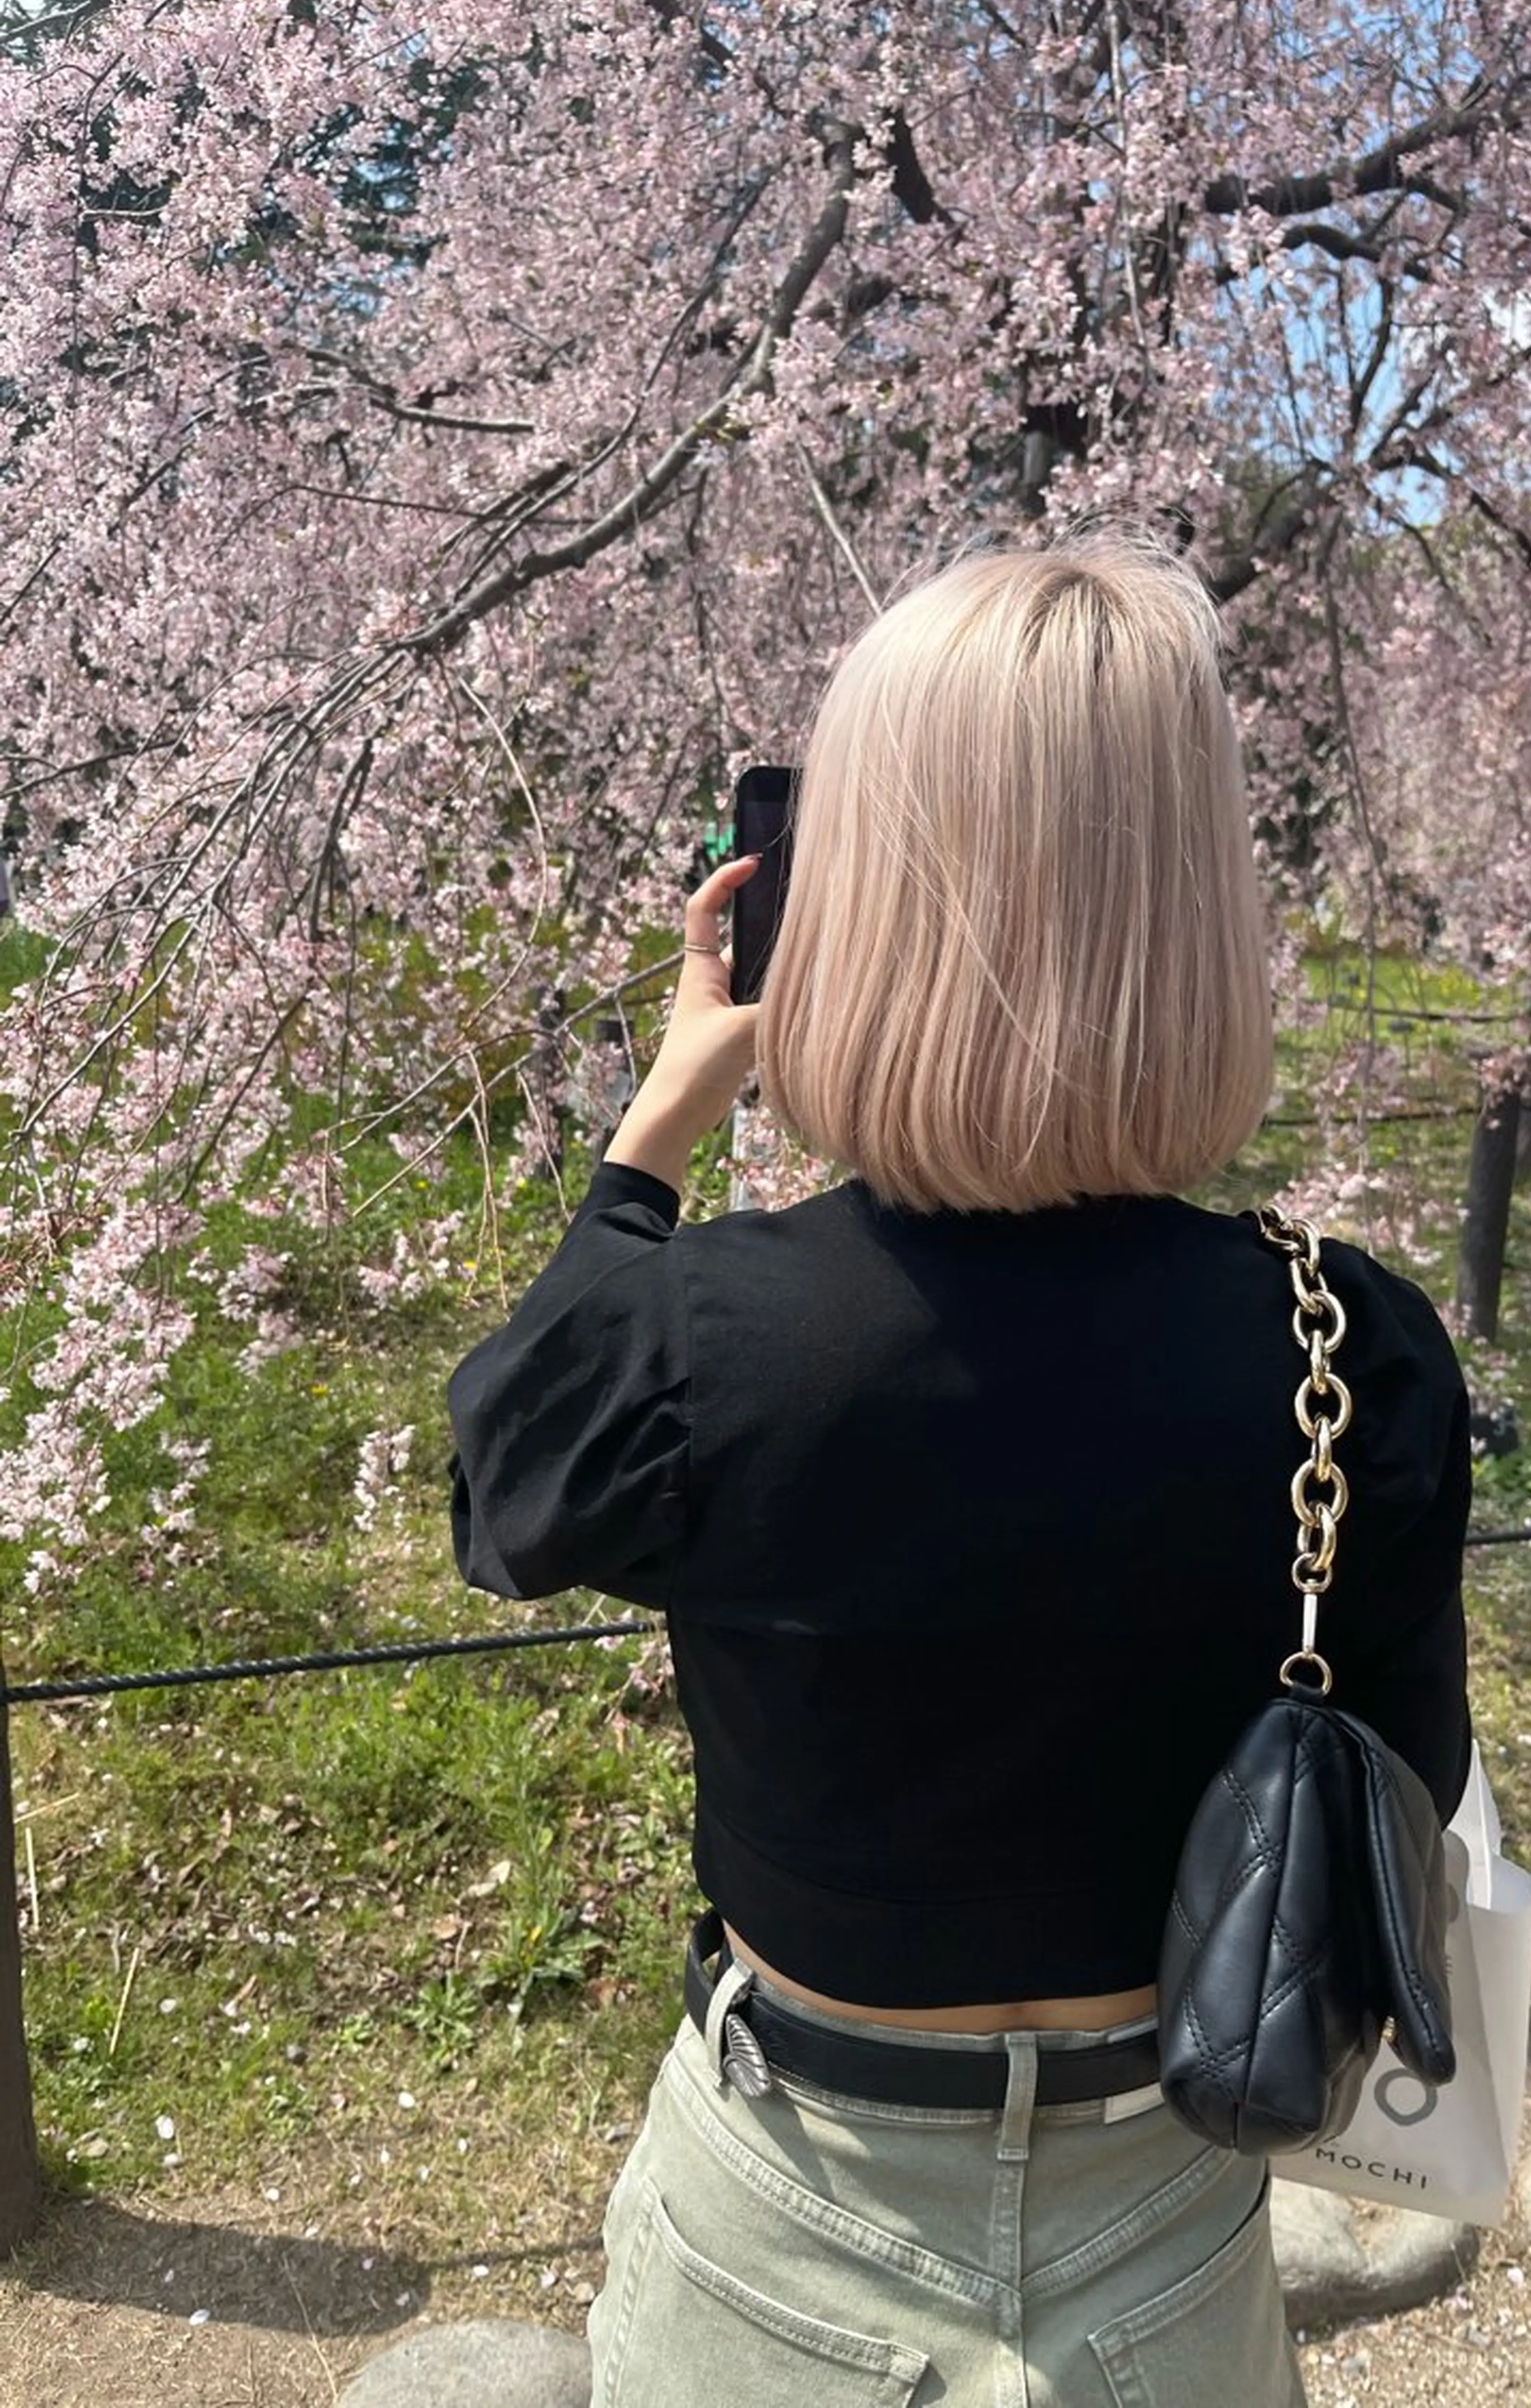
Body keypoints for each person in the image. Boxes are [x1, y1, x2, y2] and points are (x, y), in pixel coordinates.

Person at [447, 534, 1472, 2408]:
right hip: (1168, 2212)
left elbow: (503, 1495)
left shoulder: (713, 1338)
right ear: (1192, 902)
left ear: (855, 897)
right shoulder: (1351, 1345)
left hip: (792, 2204)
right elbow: (1410, 1769)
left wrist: (662, 1119)